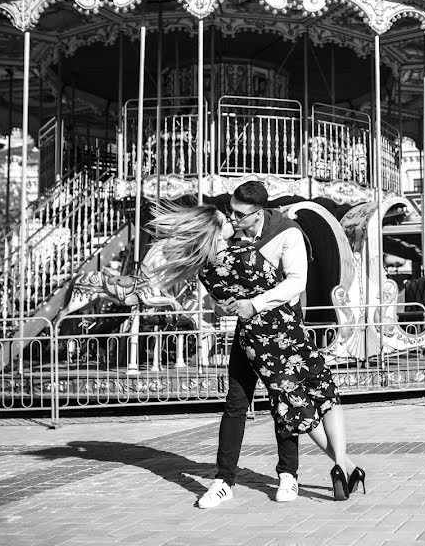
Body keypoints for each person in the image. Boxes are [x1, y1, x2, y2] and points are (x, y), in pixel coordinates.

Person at [150, 181, 365, 508]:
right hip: (263, 332)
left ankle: (295, 472)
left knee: (290, 405)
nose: (232, 218)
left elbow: (295, 282)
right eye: (229, 212)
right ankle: (229, 478)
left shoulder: (284, 234)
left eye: (238, 214)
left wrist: (250, 302)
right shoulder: (236, 246)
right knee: (263, 402)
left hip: (274, 330)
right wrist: (225, 303)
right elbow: (231, 291)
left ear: (259, 212)